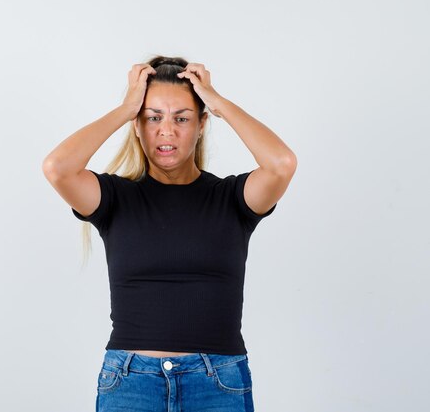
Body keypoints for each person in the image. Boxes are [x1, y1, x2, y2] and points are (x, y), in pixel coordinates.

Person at [42, 55, 297, 412]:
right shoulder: (116, 198)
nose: (167, 131)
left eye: (182, 118)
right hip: (130, 383)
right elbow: (58, 168)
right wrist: (125, 109)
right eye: (153, 117)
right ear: (137, 124)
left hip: (218, 383)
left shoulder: (232, 199)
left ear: (201, 123)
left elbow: (281, 164)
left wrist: (218, 101)